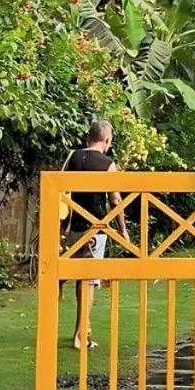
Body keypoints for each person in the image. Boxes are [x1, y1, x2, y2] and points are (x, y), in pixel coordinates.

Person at [62, 119, 125, 350]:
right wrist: (123, 229)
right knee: (89, 282)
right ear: (106, 140)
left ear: (89, 137)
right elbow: (115, 199)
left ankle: (82, 329)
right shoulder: (108, 164)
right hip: (96, 227)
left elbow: (63, 191)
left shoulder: (73, 158)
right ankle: (81, 335)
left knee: (78, 278)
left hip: (74, 226)